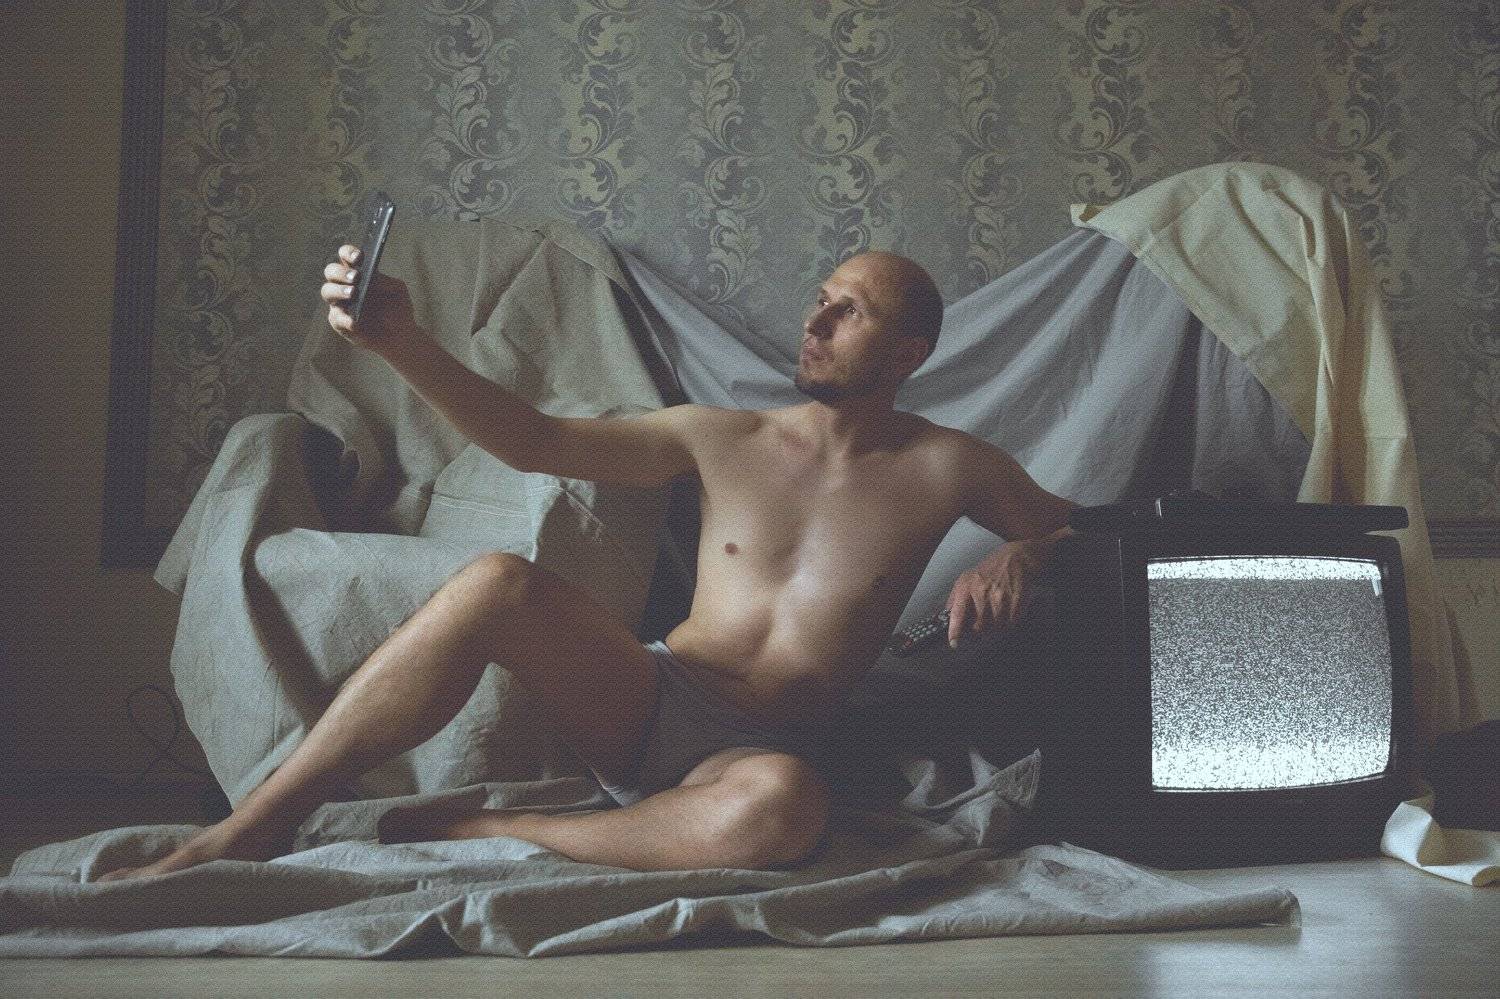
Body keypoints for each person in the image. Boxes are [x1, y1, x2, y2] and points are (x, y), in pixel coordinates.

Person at [102, 243, 1075, 880]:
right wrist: (399, 343)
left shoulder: (951, 466)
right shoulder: (722, 436)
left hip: (760, 752)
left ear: (907, 352)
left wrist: (1024, 556)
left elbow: (1082, 529)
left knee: (787, 809)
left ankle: (492, 831)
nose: (814, 323)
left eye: (848, 312)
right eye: (819, 300)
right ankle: (258, 822)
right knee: (497, 582)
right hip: (649, 697)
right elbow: (534, 442)